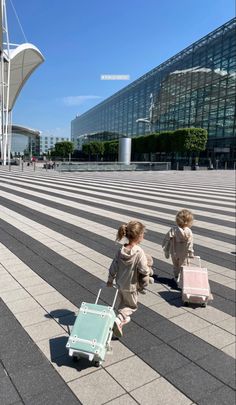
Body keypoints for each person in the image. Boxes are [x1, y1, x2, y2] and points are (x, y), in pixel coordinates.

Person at [107, 220, 153, 337]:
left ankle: (120, 323)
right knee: (131, 306)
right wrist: (148, 271)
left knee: (123, 303)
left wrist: (110, 279)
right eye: (142, 234)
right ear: (138, 236)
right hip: (132, 285)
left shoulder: (120, 251)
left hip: (120, 284)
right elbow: (143, 269)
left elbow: (114, 266)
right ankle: (118, 320)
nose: (143, 236)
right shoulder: (139, 252)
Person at [162, 209, 194, 287]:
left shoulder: (173, 230)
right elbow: (190, 244)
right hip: (184, 254)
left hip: (174, 252)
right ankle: (184, 282)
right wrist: (191, 252)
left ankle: (176, 277)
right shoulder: (189, 232)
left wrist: (166, 249)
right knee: (184, 267)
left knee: (176, 266)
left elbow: (167, 239)